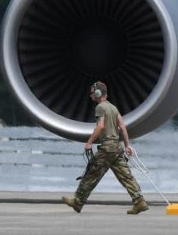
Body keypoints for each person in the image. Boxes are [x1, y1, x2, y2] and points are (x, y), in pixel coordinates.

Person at [62, 80, 149, 215]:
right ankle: (139, 201)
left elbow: (100, 126)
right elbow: (123, 128)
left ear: (97, 93)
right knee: (126, 176)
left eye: (92, 93)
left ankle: (78, 202)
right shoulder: (114, 108)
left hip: (107, 148)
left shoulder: (100, 107)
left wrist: (89, 142)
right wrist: (127, 145)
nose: (90, 95)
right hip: (116, 147)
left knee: (91, 174)